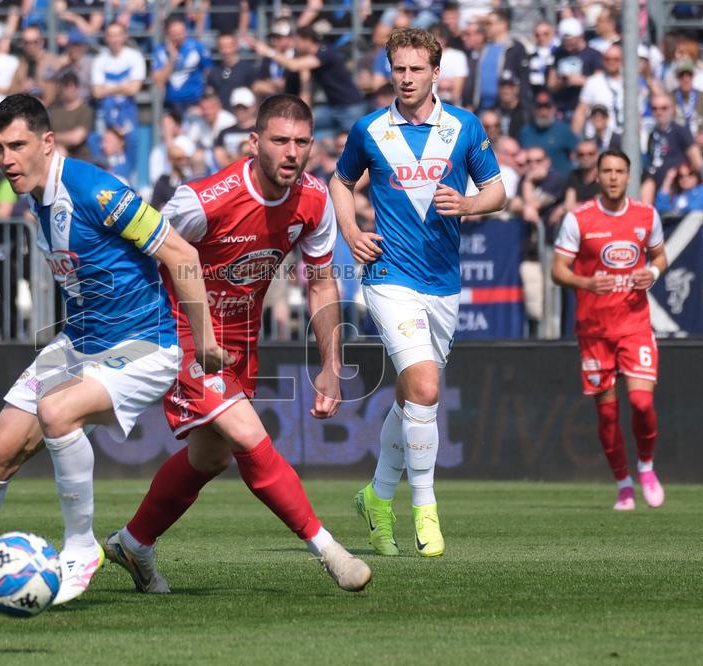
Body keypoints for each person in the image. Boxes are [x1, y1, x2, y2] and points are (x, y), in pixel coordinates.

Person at [0, 93, 228, 609]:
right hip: (79, 341)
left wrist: (206, 339)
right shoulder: (36, 194)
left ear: (47, 142)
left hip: (144, 341)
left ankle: (81, 547)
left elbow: (180, 252)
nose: (5, 159)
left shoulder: (95, 189)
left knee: (58, 410)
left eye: (17, 146)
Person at [103, 93, 371, 594]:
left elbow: (320, 283)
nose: (291, 152)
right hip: (180, 333)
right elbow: (143, 255)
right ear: (254, 143)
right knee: (249, 437)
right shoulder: (202, 200)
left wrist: (332, 364)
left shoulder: (314, 200)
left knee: (210, 458)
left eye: (301, 142)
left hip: (241, 342)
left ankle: (133, 544)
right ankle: (331, 552)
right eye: (279, 140)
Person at [330, 28, 506, 558]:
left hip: (443, 285)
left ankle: (377, 496)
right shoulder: (368, 130)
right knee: (426, 387)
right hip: (389, 278)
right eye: (398, 69)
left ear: (436, 72)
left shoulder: (463, 127)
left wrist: (471, 205)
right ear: (390, 71)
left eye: (415, 69)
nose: (406, 78)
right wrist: (352, 232)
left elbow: (497, 190)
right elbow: (341, 182)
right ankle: (424, 510)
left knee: (411, 395)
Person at [551, 149, 667, 511]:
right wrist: (586, 283)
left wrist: (655, 273)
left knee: (641, 402)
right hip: (595, 329)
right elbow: (558, 270)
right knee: (608, 413)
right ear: (597, 176)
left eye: (620, 171)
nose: (614, 177)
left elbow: (659, 255)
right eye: (607, 171)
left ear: (628, 176)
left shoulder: (646, 215)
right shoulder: (579, 218)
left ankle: (646, 467)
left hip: (634, 325)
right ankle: (623, 483)